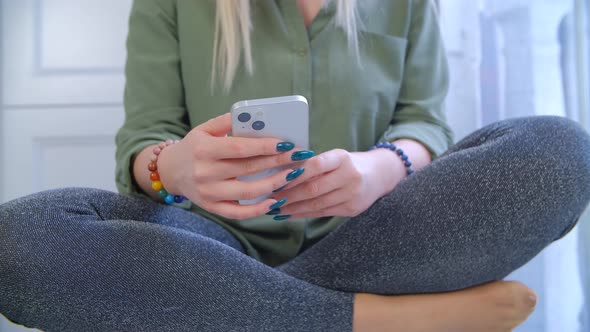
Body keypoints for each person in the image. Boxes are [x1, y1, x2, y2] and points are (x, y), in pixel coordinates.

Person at [1, 0, 590, 331]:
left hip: (378, 238)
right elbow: (145, 137)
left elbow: (426, 123)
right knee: (16, 242)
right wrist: (172, 167)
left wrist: (381, 168)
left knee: (559, 150)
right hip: (210, 244)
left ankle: (239, 312)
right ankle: (385, 322)